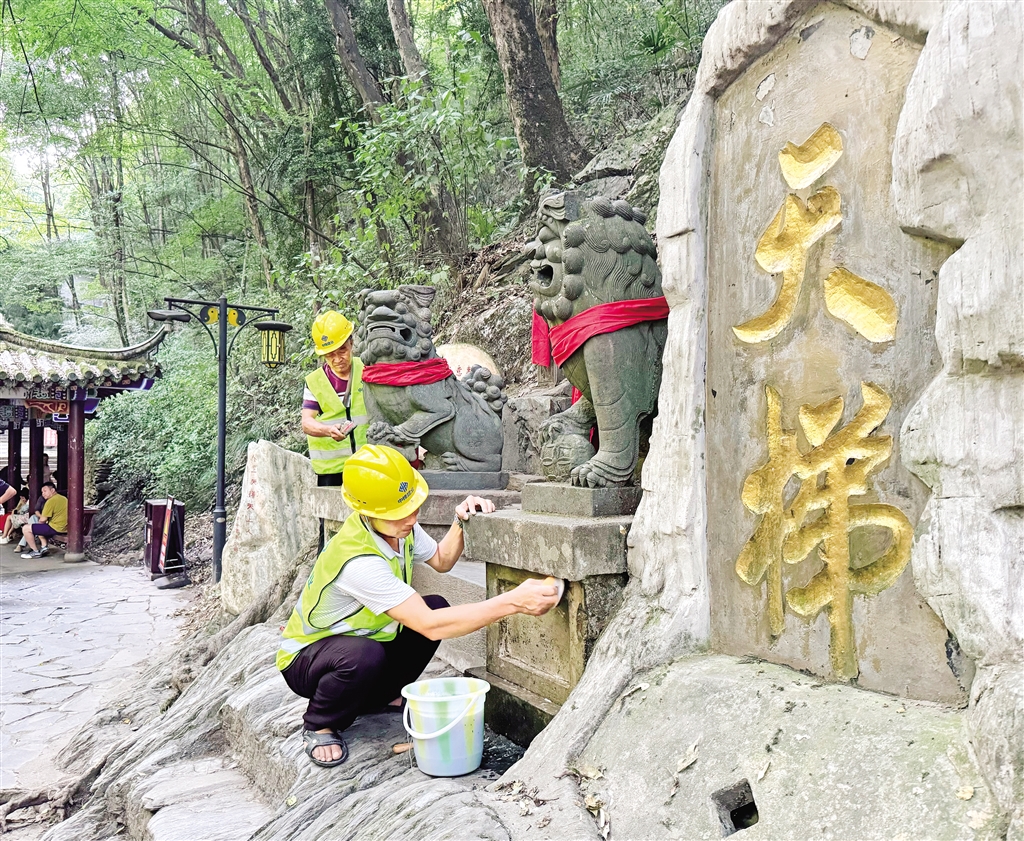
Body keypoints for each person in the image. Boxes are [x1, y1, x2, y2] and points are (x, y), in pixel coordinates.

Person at [277, 444, 560, 768]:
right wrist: (513, 601)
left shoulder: (397, 525)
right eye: (400, 513)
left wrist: (461, 520)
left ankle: (378, 698)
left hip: (363, 643)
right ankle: (319, 723)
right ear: (368, 511)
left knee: (435, 605)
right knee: (367, 653)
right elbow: (430, 625)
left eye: (413, 507)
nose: (412, 518)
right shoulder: (358, 561)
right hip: (308, 660)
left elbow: (442, 560)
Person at [301, 311, 368, 487]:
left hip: (369, 463)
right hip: (331, 471)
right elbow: (307, 422)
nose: (337, 359)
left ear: (352, 343)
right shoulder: (314, 382)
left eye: (342, 350)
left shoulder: (368, 370)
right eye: (330, 354)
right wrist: (328, 430)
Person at [20, 481, 67, 559]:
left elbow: (43, 520)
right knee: (38, 527)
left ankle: (35, 551)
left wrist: (37, 526)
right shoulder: (63, 498)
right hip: (65, 527)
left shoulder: (51, 501)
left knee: (26, 528)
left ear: (52, 490)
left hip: (55, 528)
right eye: (42, 492)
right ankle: (44, 547)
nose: (43, 494)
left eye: (45, 491)